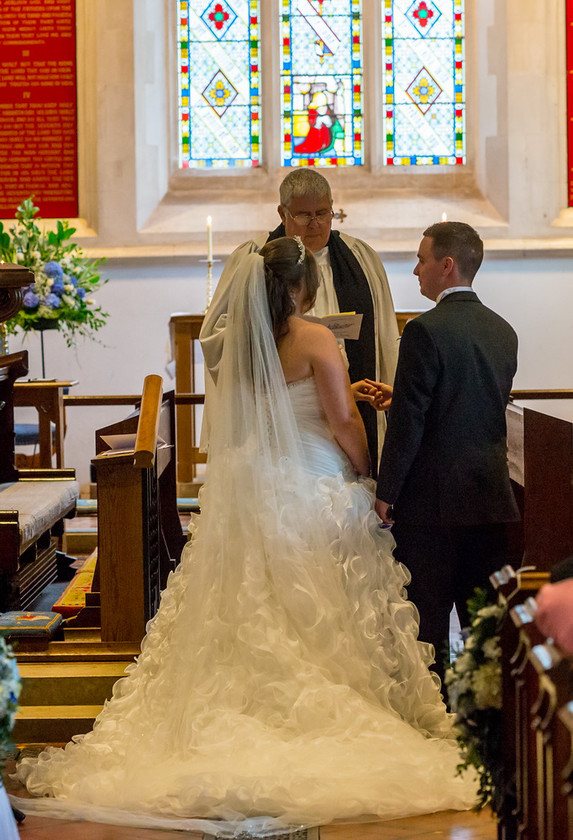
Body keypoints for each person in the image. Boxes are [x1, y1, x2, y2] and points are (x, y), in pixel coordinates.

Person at [13, 237, 476, 835]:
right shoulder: (318, 338)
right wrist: (366, 472)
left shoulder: (233, 346)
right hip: (310, 485)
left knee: (238, 609)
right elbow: (340, 422)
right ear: (297, 287)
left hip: (251, 486)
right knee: (326, 605)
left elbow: (266, 410)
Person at [375, 222, 520, 685]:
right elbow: (474, 402)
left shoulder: (424, 331)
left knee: (429, 620)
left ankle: (435, 710)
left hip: (433, 503)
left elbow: (410, 425)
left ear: (446, 264)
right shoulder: (503, 330)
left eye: (421, 259)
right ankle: (487, 720)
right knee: (485, 621)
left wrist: (386, 491)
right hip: (491, 496)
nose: (415, 269)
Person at [200, 168, 399, 474]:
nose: (316, 223)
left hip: (344, 408)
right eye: (304, 214)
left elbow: (383, 334)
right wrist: (282, 337)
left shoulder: (361, 257)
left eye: (323, 212)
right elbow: (216, 335)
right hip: (280, 430)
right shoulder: (254, 259)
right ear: (283, 213)